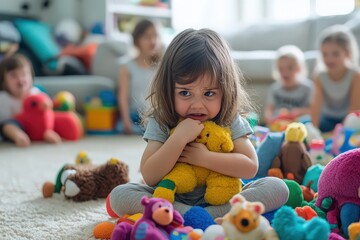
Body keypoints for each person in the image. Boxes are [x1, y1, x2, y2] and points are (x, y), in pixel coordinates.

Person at [108, 29, 289, 222]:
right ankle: (191, 215)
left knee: (278, 188)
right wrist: (179, 138)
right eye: (185, 93)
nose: (197, 104)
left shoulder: (229, 118)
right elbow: (150, 175)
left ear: (225, 90)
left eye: (209, 93)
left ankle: (198, 217)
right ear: (168, 90)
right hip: (172, 197)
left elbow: (250, 167)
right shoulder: (162, 120)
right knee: (120, 195)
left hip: (222, 198)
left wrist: (204, 158)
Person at [0, 54, 61, 147]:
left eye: (24, 74)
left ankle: (48, 132)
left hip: (38, 125)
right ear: (4, 82)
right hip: (19, 125)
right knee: (8, 125)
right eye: (13, 76)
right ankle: (18, 136)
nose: (20, 79)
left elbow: (47, 108)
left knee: (50, 117)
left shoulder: (35, 92)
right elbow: (4, 121)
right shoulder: (4, 98)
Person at [311, 25, 360, 133]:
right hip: (327, 119)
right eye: (325, 54)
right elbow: (316, 107)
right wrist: (314, 131)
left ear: (347, 53)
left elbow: (354, 109)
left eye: (335, 54)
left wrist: (340, 131)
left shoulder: (355, 75)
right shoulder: (320, 76)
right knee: (307, 124)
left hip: (349, 119)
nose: (329, 59)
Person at [117, 19, 162, 134]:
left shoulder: (161, 66)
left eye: (155, 36)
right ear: (137, 40)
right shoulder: (126, 66)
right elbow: (123, 96)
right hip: (135, 114)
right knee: (121, 126)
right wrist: (126, 120)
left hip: (156, 114)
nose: (153, 41)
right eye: (147, 37)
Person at [265, 45, 313, 126]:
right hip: (279, 123)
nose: (285, 73)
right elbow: (269, 110)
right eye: (281, 69)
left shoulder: (307, 88)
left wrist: (299, 112)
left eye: (290, 68)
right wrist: (270, 119)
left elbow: (314, 110)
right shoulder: (275, 89)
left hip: (299, 123)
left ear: (299, 68)